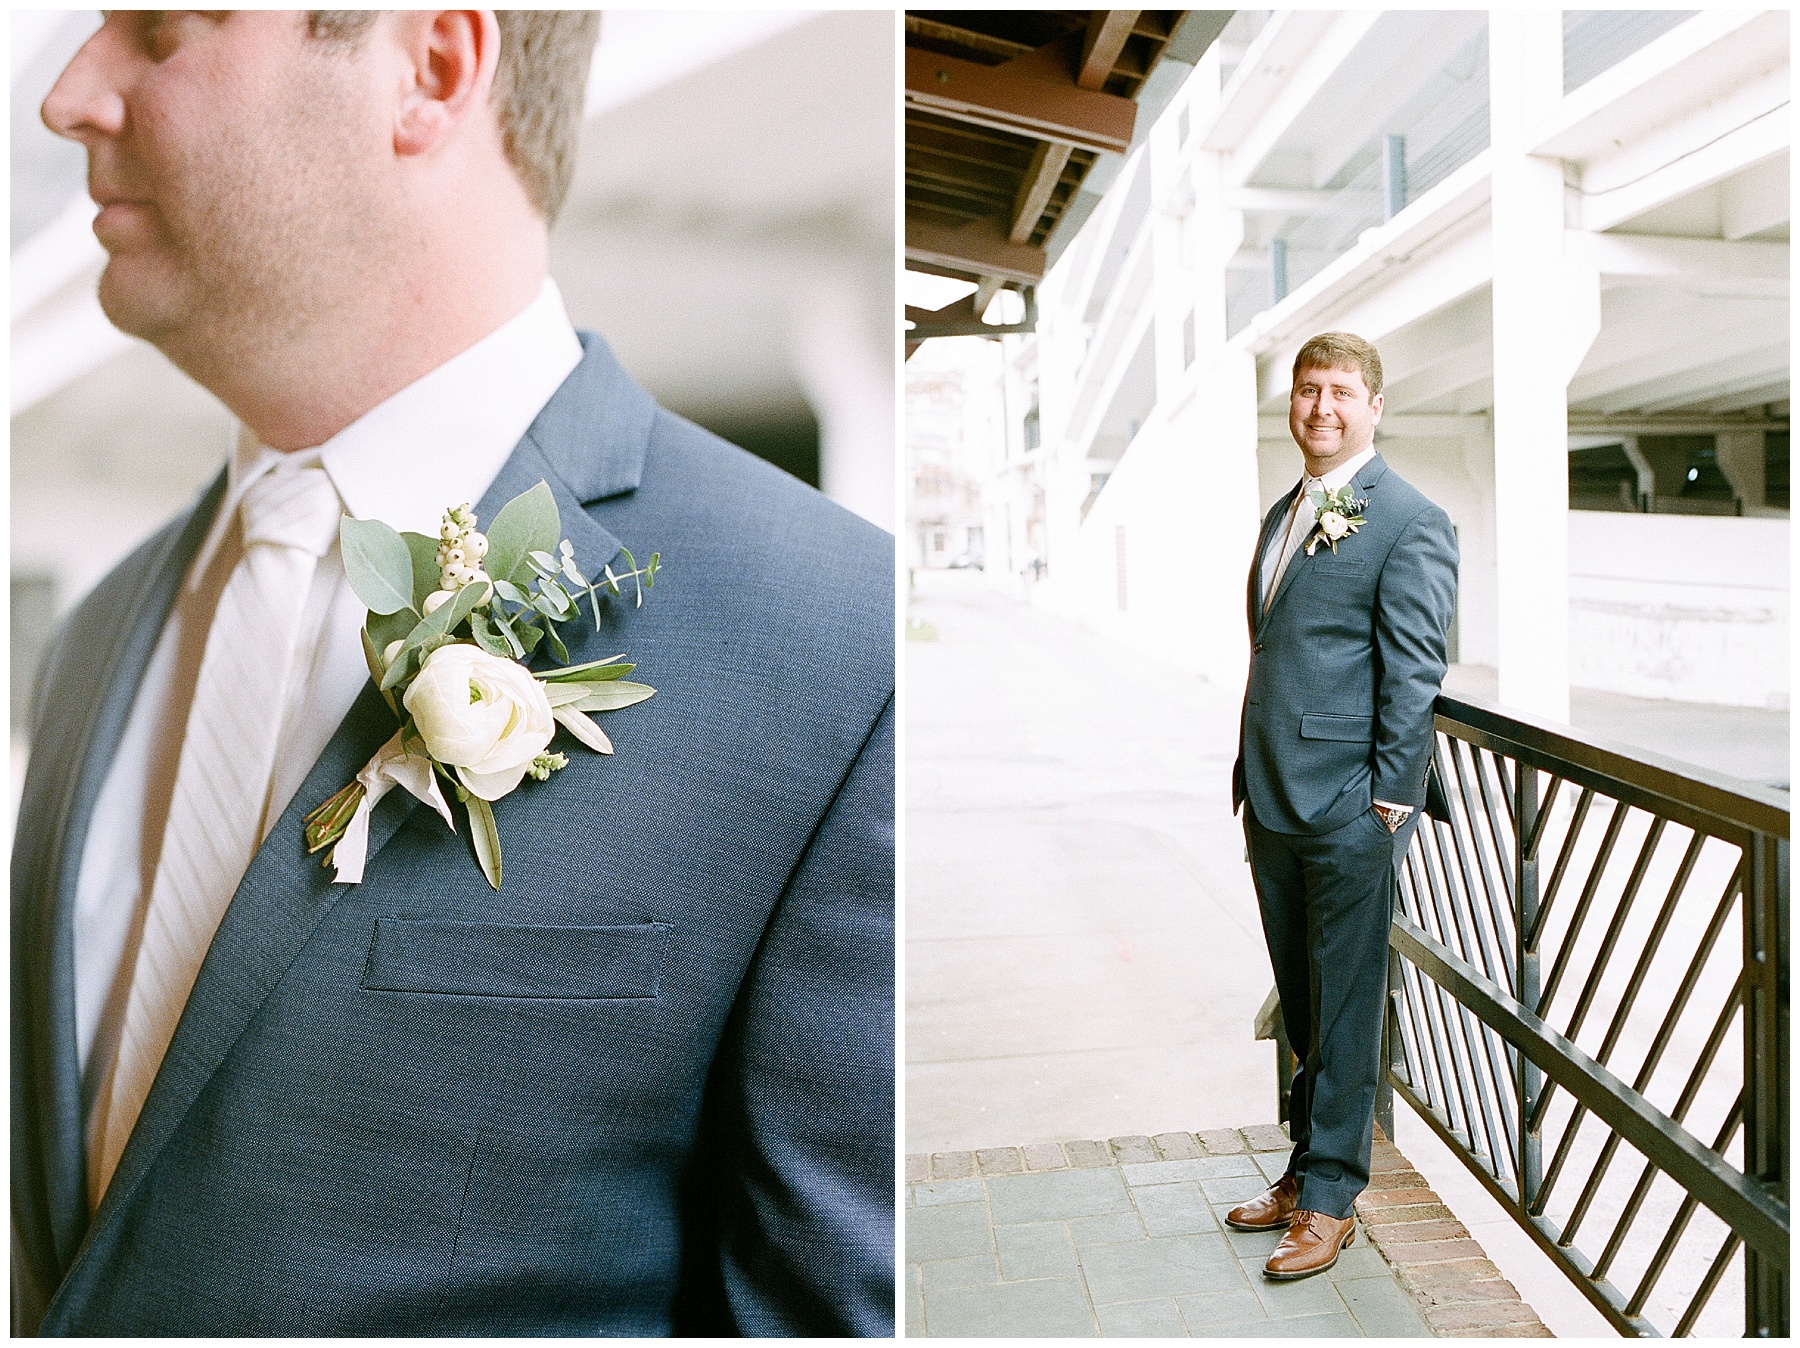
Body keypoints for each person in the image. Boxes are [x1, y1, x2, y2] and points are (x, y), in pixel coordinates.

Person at [13, 11, 893, 1336]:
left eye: (157, 26)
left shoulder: (836, 642)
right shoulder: (93, 639)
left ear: (431, 66)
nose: (71, 96)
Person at [1227, 332, 1456, 1280]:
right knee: (1307, 1007)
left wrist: (1389, 810)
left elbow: (1415, 678)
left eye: (1340, 392)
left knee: (1350, 1007)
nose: (1320, 407)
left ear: (1374, 407)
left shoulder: (1409, 520)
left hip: (1350, 813)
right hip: (1273, 801)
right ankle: (1301, 1169)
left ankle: (1330, 1201)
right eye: (1306, 390)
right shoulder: (1290, 509)